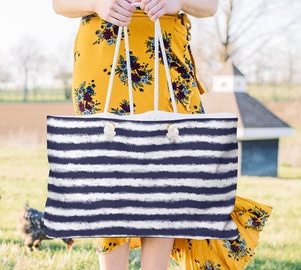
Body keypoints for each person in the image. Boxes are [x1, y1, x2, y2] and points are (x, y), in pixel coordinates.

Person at [51, 0, 272, 269]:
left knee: (167, 170)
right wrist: (97, 4)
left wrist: (177, 1)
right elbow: (60, 3)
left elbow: (210, 5)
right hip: (103, 55)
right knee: (109, 169)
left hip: (165, 53)